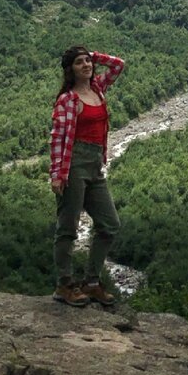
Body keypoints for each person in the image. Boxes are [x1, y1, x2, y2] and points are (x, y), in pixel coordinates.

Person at [50, 45, 126, 306]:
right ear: (70, 70)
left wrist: (94, 55)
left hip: (95, 166)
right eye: (80, 62)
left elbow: (118, 65)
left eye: (88, 62)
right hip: (73, 167)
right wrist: (57, 175)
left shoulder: (97, 90)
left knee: (109, 225)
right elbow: (58, 139)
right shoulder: (67, 100)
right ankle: (65, 284)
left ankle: (92, 282)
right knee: (68, 229)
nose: (86, 65)